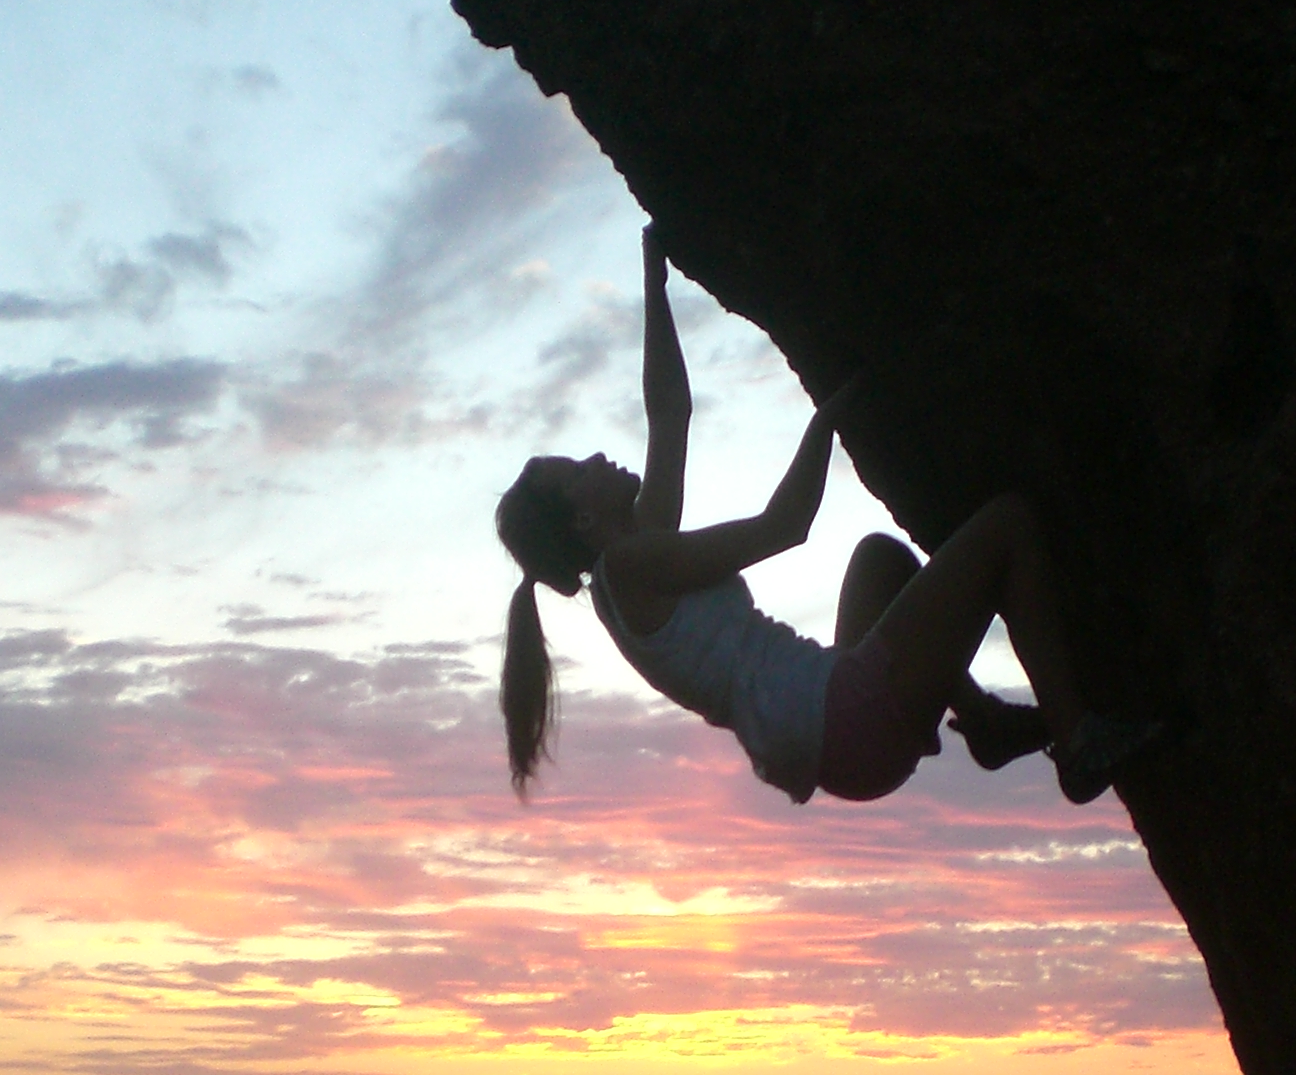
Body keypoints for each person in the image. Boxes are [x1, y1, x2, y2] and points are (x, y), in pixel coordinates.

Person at [494, 229, 1162, 806]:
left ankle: (983, 722)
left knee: (882, 560)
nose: (597, 457)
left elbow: (668, 412)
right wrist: (831, 415)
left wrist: (655, 277)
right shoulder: (634, 564)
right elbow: (784, 526)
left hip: (828, 726)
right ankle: (1077, 744)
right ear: (581, 520)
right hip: (844, 719)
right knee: (1009, 522)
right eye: (576, 470)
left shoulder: (634, 559)